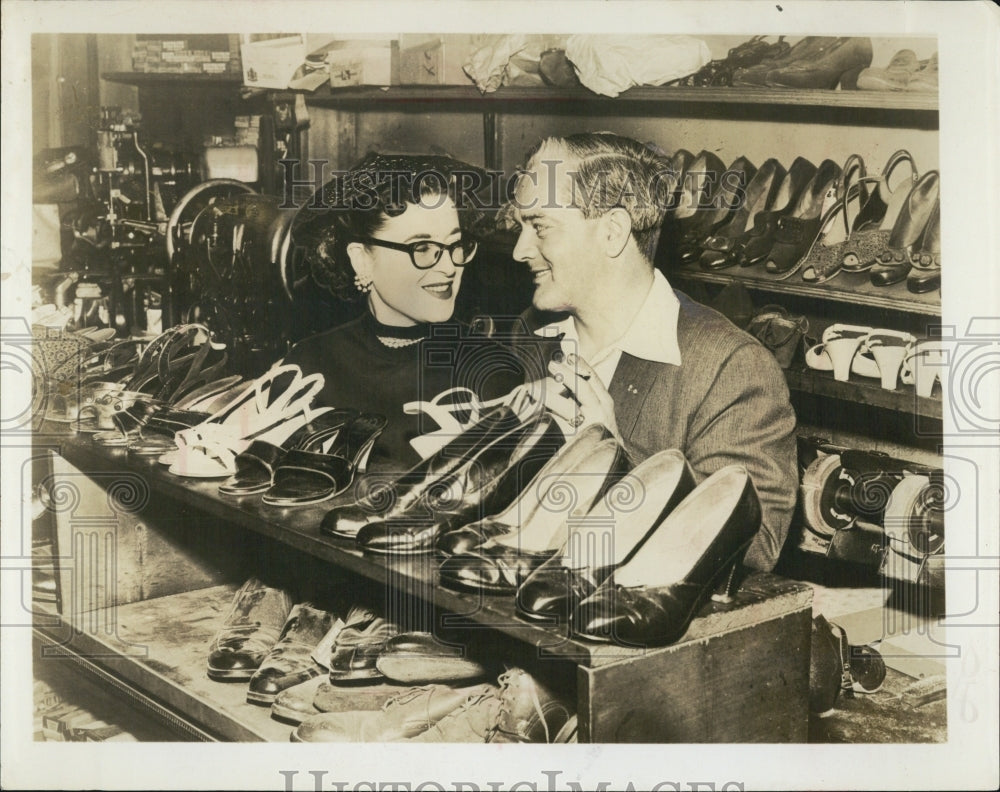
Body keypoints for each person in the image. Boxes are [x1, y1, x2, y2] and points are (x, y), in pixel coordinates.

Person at [506, 132, 797, 572]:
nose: (519, 250)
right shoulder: (530, 332)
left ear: (612, 231)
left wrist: (615, 463)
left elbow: (750, 559)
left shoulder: (731, 369)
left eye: (540, 227)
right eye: (520, 226)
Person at [281, 153, 529, 469]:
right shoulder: (307, 367)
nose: (449, 266)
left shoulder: (493, 374)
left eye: (455, 245)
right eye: (422, 249)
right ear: (362, 259)